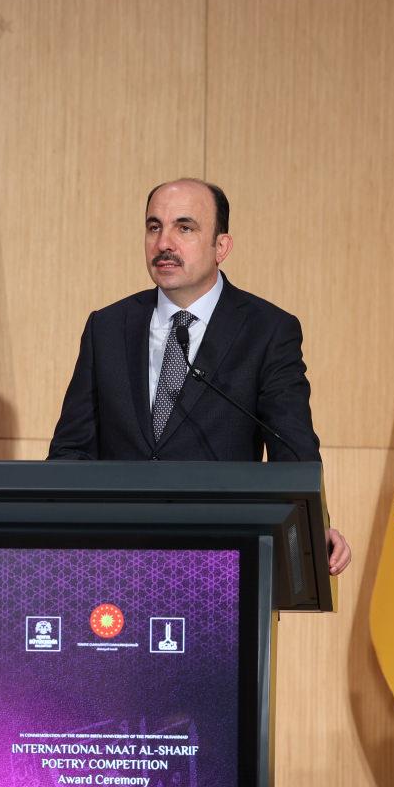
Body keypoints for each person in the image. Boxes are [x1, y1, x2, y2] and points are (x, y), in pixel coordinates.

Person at [47, 178, 351, 575]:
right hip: (115, 562)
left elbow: (291, 447)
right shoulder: (107, 326)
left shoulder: (267, 330)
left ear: (221, 246)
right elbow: (72, 451)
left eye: (184, 228)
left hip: (219, 565)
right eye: (154, 227)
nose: (164, 243)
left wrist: (315, 527)